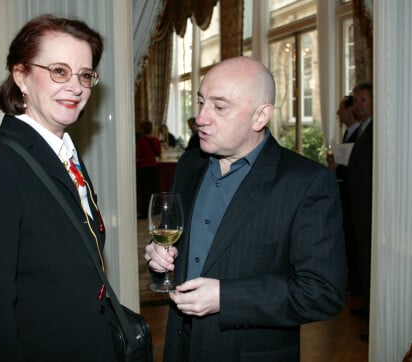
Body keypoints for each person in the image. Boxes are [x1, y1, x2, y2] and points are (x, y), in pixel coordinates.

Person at [145, 56, 347, 361]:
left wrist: (226, 298)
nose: (201, 117)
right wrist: (161, 261)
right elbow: (187, 251)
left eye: (219, 106)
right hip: (180, 347)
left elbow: (323, 293)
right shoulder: (190, 165)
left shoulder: (306, 182)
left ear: (260, 116)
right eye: (201, 102)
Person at [0, 14, 117, 361]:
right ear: (21, 76)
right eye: (59, 71)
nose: (76, 86)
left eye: (85, 75)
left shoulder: (64, 157)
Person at [345, 82, 373, 325]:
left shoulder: (376, 129)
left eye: (363, 99)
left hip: (368, 208)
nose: (359, 105)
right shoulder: (365, 129)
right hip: (359, 206)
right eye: (356, 100)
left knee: (369, 260)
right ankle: (368, 307)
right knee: (363, 259)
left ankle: (373, 314)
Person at [327, 95, 361, 295]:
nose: (338, 113)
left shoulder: (360, 134)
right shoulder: (350, 133)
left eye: (341, 109)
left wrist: (337, 169)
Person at [136, 120, 162, 218]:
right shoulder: (156, 140)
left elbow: (138, 156)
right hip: (153, 167)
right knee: (153, 190)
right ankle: (154, 211)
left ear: (143, 129)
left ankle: (144, 213)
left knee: (144, 192)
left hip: (143, 168)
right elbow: (158, 154)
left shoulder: (141, 141)